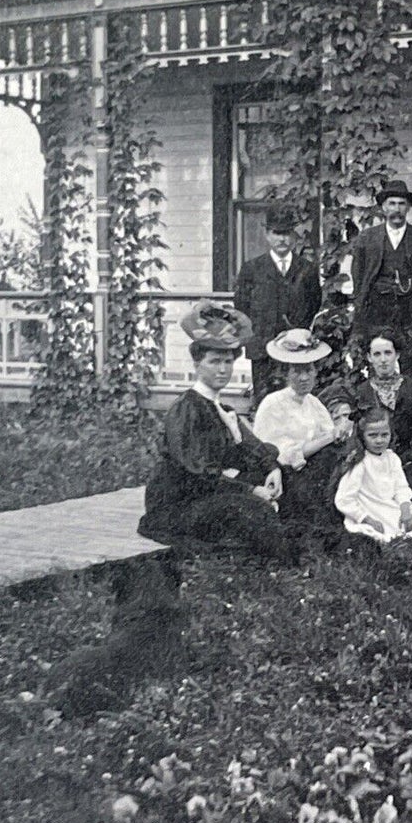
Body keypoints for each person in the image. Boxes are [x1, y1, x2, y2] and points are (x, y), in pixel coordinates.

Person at [137, 301, 296, 561]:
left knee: (284, 482)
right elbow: (197, 472)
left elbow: (252, 446)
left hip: (207, 493)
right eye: (214, 362)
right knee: (249, 507)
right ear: (197, 365)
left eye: (227, 362)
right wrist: (250, 490)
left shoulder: (222, 408)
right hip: (177, 503)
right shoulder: (186, 410)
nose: (223, 369)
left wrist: (272, 468)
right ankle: (282, 565)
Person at [252, 328, 356, 528]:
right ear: (286, 373)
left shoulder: (314, 403)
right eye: (297, 371)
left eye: (308, 370)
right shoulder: (273, 403)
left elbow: (330, 436)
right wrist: (329, 438)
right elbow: (282, 455)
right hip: (285, 477)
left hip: (313, 473)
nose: (303, 377)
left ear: (316, 371)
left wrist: (340, 433)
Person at [349, 178, 412, 372]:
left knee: (411, 365)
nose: (397, 208)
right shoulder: (368, 238)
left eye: (402, 204)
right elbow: (358, 277)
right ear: (383, 207)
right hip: (377, 311)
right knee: (378, 362)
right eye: (392, 203)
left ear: (408, 208)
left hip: (411, 311)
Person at [234, 202, 323, 406]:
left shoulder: (307, 270)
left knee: (295, 402)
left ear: (294, 236)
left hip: (295, 351)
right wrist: (260, 337)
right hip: (263, 353)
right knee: (266, 405)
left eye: (287, 233)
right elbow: (242, 307)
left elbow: (313, 305)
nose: (282, 239)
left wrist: (296, 335)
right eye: (276, 233)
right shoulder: (251, 269)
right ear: (267, 235)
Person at [334, 406, 412, 543]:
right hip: (372, 512)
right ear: (362, 436)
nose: (379, 440)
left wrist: (405, 510)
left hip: (394, 508)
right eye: (373, 435)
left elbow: (401, 487)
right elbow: (344, 499)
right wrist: (365, 518)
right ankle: (409, 538)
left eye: (384, 435)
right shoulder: (360, 462)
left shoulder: (391, 458)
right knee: (380, 533)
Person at [350, 332, 412, 490]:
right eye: (377, 354)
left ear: (397, 354)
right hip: (371, 468)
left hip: (410, 468)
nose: (383, 360)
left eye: (388, 353)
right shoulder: (361, 393)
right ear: (369, 357)